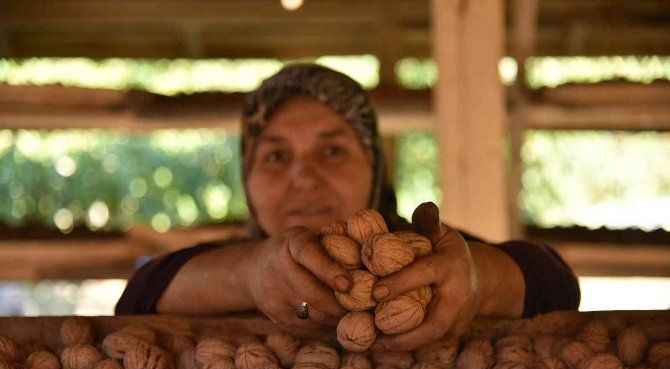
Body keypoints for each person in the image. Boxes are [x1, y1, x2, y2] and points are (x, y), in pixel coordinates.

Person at [116, 63, 580, 351]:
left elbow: (554, 283)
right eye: (276, 156)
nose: (303, 177)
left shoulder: (428, 258)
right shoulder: (233, 262)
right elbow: (141, 294)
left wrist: (478, 279)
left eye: (333, 150)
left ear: (374, 167)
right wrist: (248, 274)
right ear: (247, 177)